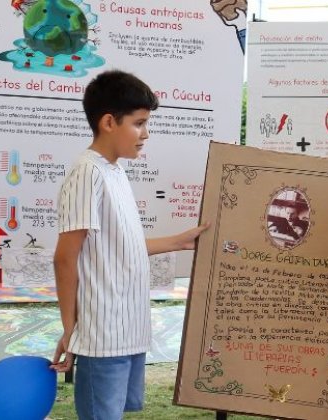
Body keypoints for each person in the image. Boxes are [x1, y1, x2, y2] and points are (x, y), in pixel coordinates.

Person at [50, 70, 209, 419]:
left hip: (129, 328)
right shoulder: (86, 173)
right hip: (101, 335)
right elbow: (65, 258)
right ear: (109, 122)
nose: (145, 134)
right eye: (139, 123)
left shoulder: (115, 171)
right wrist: (71, 329)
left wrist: (179, 241)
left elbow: (120, 245)